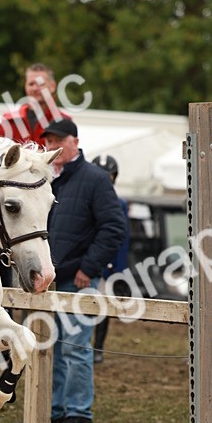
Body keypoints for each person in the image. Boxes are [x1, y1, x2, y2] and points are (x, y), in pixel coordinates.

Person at [43, 118, 128, 423]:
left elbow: (114, 227)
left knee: (76, 347)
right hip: (50, 279)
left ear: (74, 141)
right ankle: (56, 410)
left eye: (58, 141)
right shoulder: (48, 180)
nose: (53, 147)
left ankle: (78, 414)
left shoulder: (95, 178)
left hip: (78, 278)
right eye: (49, 142)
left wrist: (87, 268)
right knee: (51, 347)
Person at [90, 155, 131, 363]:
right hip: (89, 259)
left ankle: (98, 346)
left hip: (108, 263)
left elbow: (122, 239)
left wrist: (119, 270)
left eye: (110, 175)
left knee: (104, 305)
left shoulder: (120, 203)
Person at [0, 63, 71, 148]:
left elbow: (68, 157)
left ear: (52, 86)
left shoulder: (63, 121)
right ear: (25, 86)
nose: (35, 88)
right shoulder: (10, 121)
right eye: (31, 84)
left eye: (40, 84)